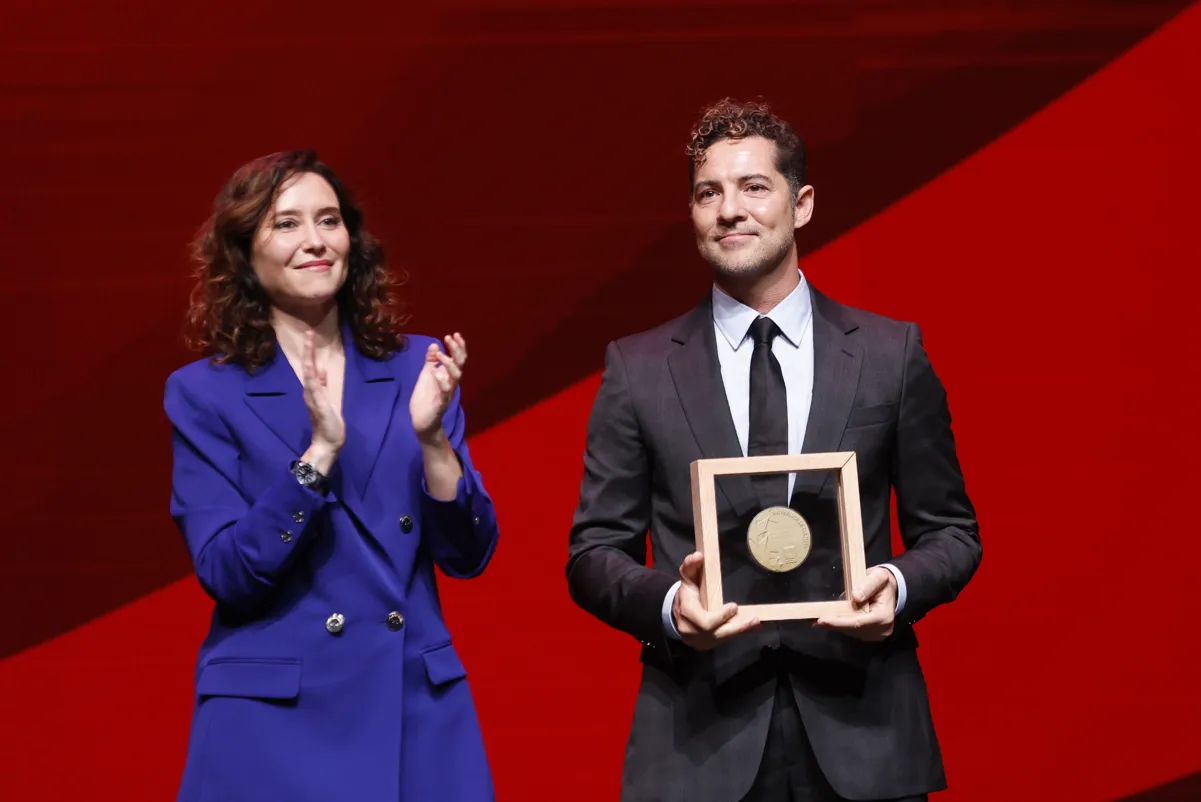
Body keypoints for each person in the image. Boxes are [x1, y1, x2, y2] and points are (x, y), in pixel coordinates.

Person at [566, 99, 981, 801]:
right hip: (698, 744)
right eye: (708, 192)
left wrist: (898, 588)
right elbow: (593, 552)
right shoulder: (635, 369)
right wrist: (669, 603)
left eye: (753, 186)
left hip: (868, 735)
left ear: (802, 203)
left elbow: (951, 532)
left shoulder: (889, 356)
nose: (729, 209)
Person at [164, 150, 498, 801]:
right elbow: (229, 573)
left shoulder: (414, 369)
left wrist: (432, 441)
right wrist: (316, 458)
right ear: (243, 252)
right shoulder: (203, 394)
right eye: (286, 224)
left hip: (411, 704)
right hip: (272, 721)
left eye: (329, 220)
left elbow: (469, 555)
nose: (315, 240)